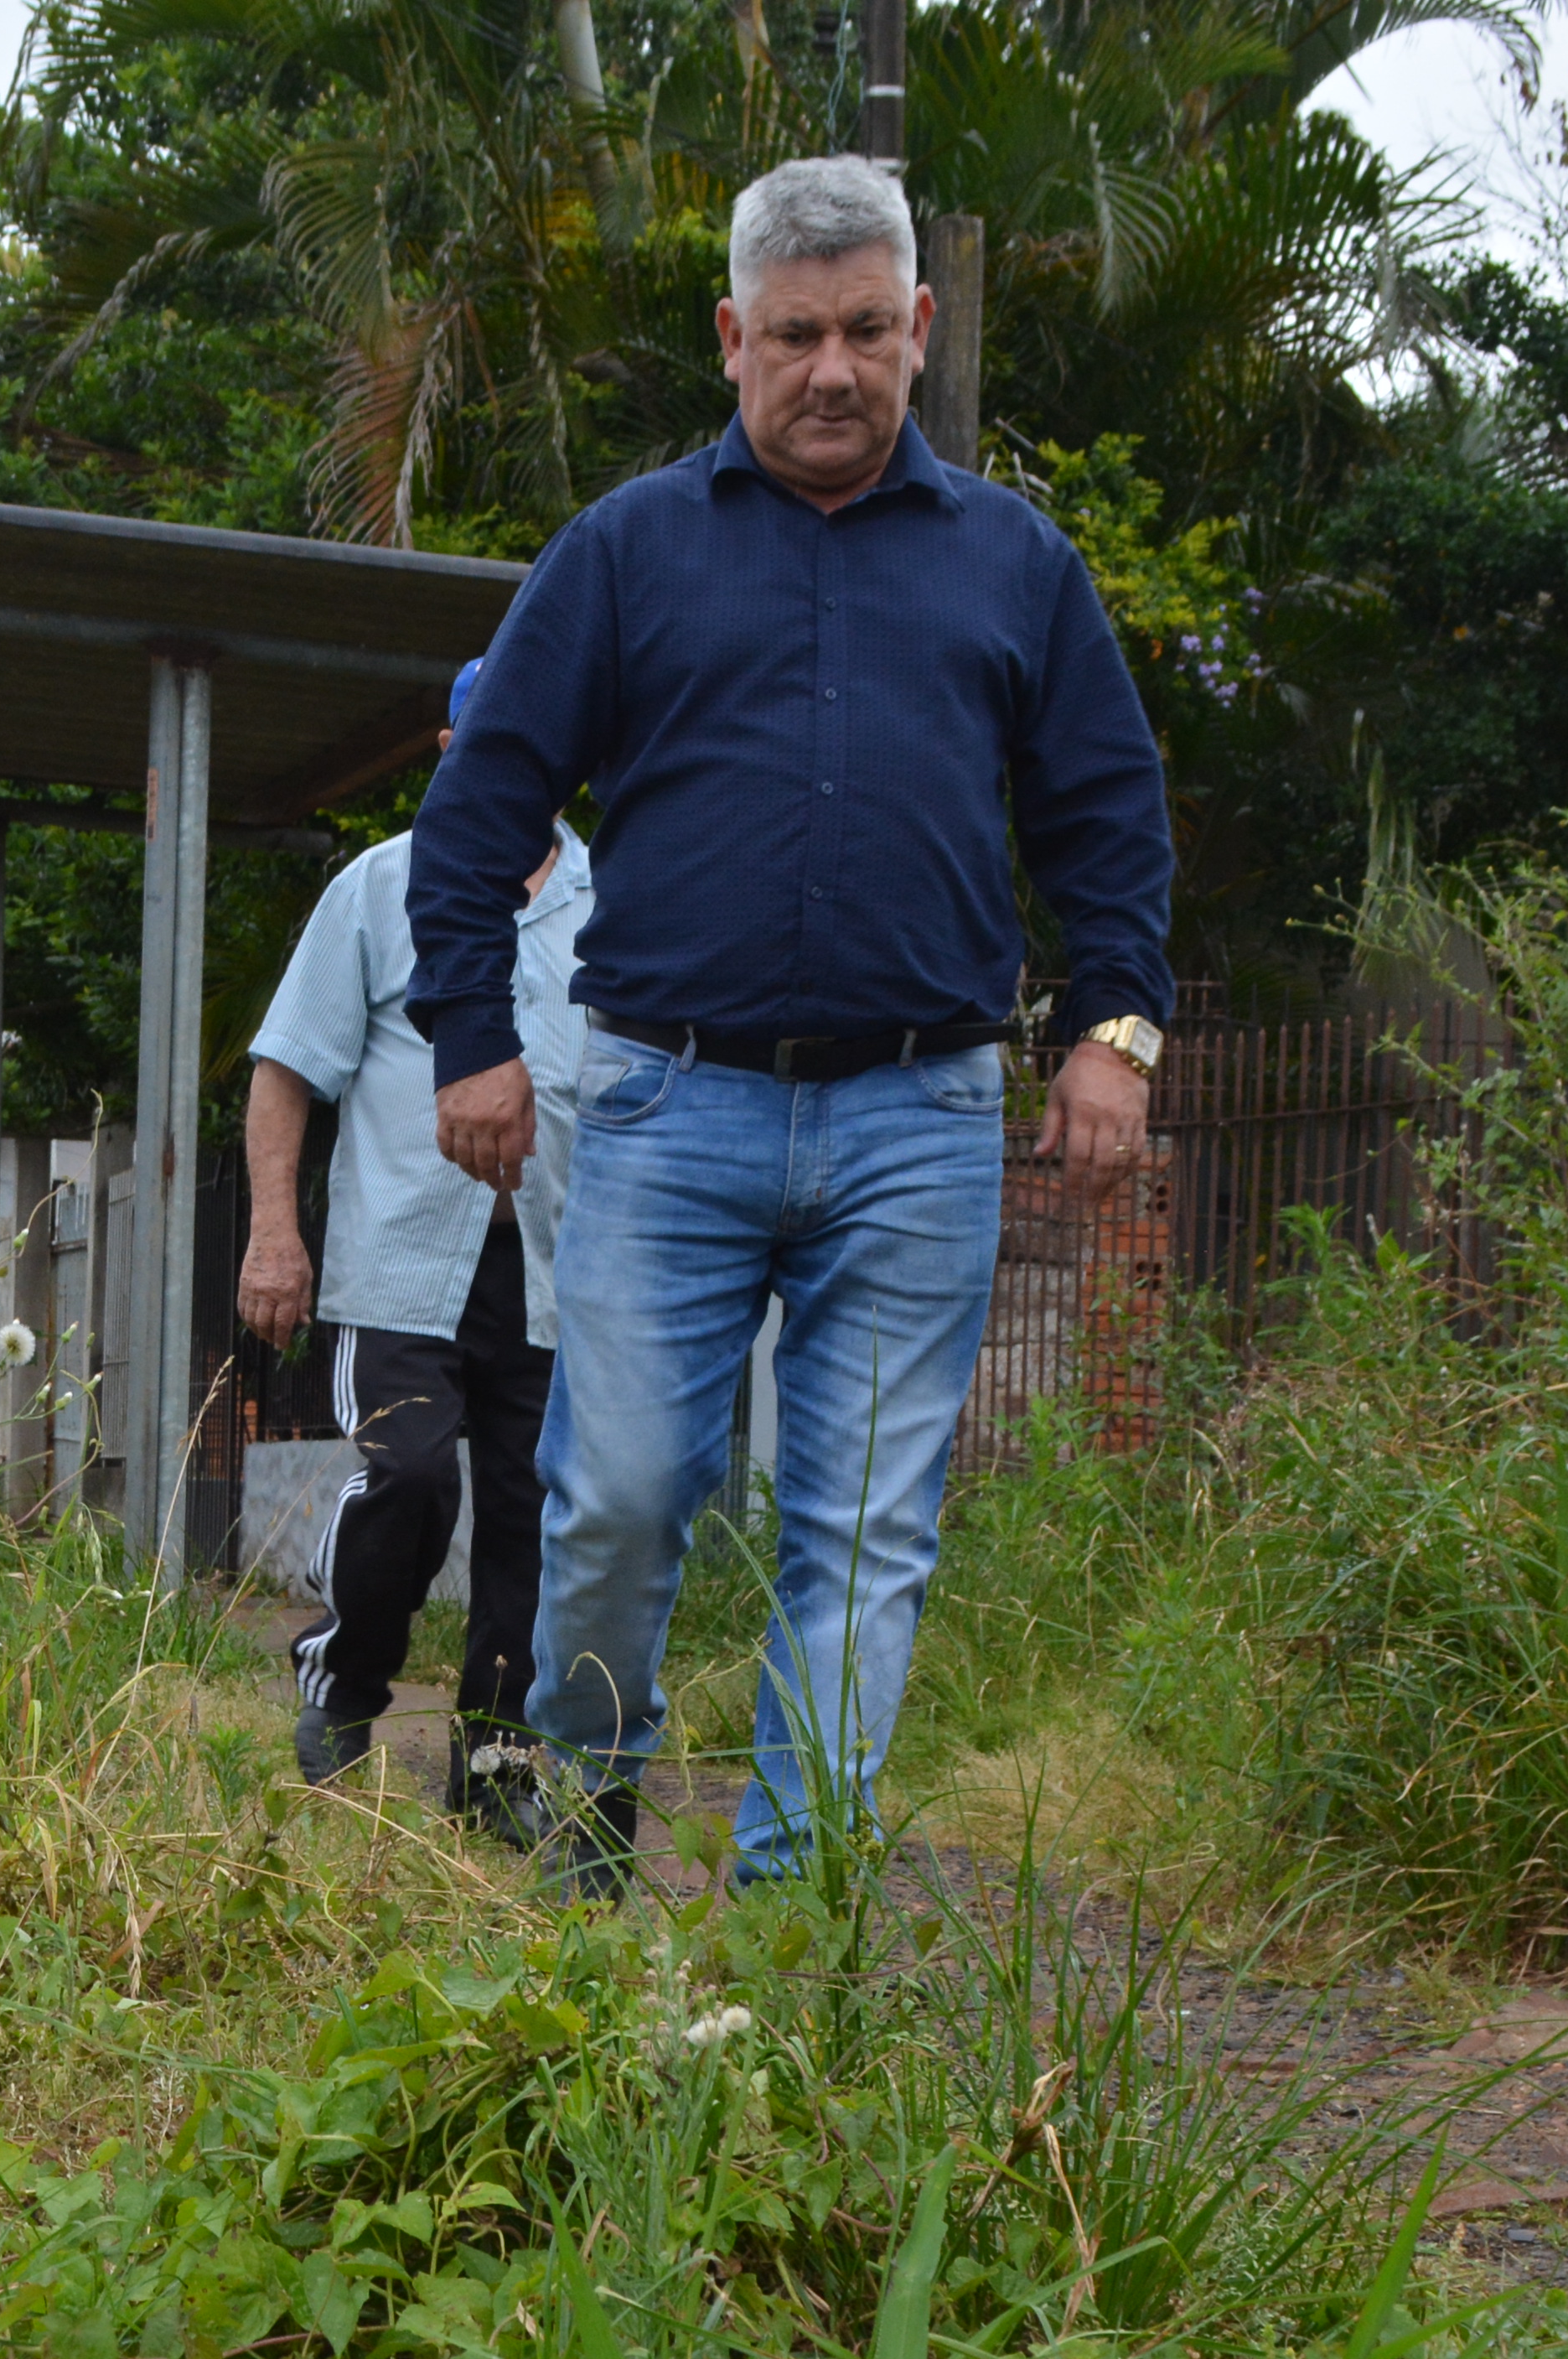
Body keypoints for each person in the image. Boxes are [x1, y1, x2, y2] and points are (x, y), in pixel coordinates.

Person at [406, 153, 1172, 1895]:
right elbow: (478, 812)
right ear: (732, 337)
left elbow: (1110, 816)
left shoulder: (1018, 566)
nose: (834, 371)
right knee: (616, 1501)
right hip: (668, 1109)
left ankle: (787, 1919)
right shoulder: (624, 554)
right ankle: (582, 1853)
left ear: (923, 327)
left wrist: (1114, 1031)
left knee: (863, 1532)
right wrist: (471, 1037)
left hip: (919, 1121)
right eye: (796, 335)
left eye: (867, 333)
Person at [238, 662, 592, 1813]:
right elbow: (286, 1069)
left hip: (558, 1273)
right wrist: (274, 1236)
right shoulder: (379, 885)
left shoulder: (615, 900)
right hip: (400, 1266)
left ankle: (496, 1768)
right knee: (411, 1474)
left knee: (536, 1518)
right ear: (451, 748)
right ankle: (344, 1679)